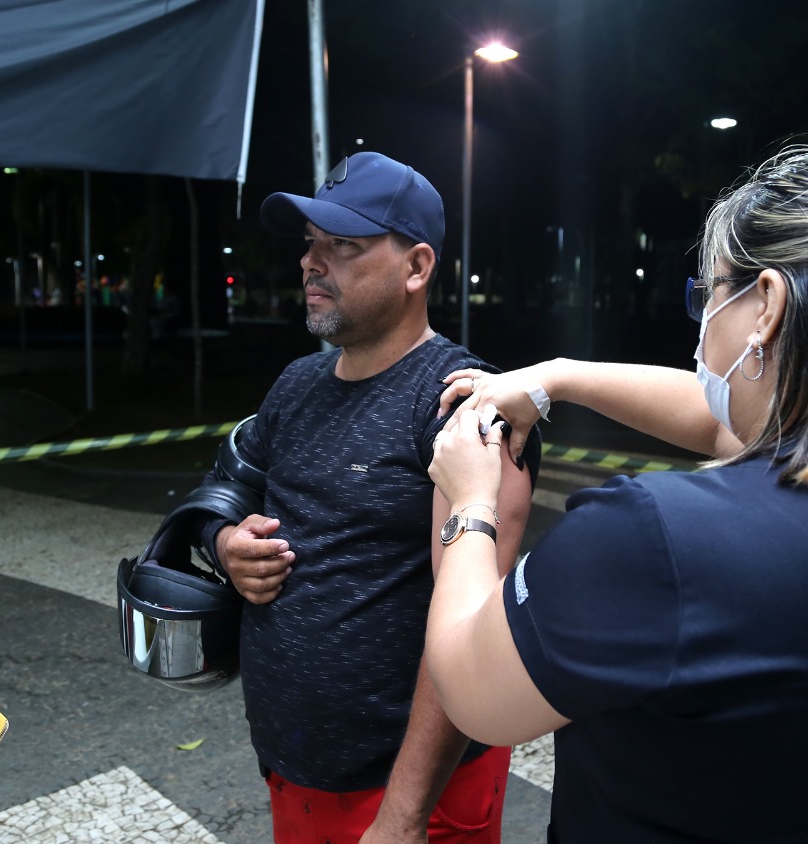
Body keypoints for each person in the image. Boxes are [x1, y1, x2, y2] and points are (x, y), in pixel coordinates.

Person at [424, 144, 808, 842]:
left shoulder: (655, 537)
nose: (700, 324)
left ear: (765, 305)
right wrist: (555, 378)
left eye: (709, 293)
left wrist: (471, 505)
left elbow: (470, 690)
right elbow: (726, 421)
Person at [163, 151, 540, 843]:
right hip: (297, 770)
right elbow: (225, 492)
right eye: (311, 243)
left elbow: (474, 632)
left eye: (344, 245)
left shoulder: (464, 402)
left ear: (416, 267)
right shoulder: (296, 384)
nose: (312, 261)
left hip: (415, 797)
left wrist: (402, 817)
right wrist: (227, 545)